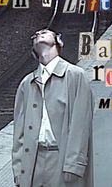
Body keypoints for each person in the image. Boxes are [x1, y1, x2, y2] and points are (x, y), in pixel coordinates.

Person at [12, 28, 94, 187]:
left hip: (61, 158)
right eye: (35, 35)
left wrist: (74, 163)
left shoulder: (76, 75)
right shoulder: (27, 83)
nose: (39, 34)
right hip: (33, 161)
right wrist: (18, 169)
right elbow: (19, 131)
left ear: (58, 42)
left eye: (45, 32)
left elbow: (81, 123)